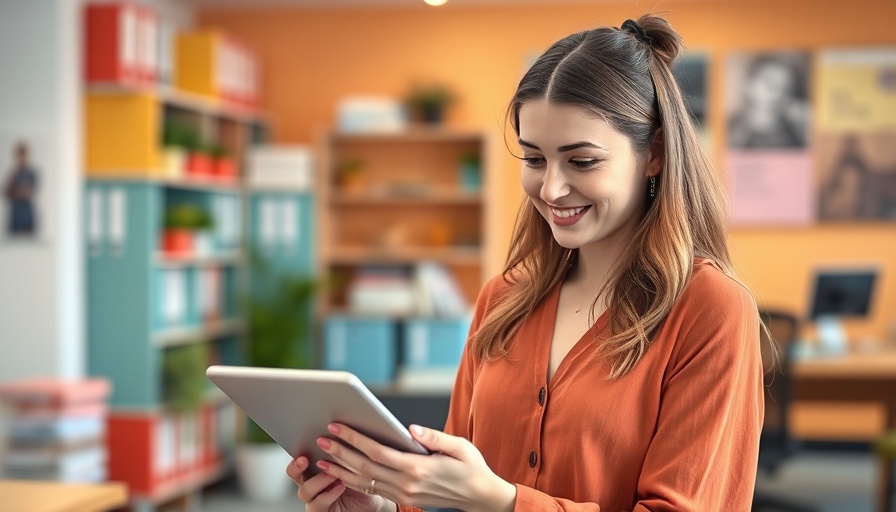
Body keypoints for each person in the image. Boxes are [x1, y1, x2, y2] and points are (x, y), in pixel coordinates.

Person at [288, 14, 764, 512]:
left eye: (581, 161)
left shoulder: (711, 310)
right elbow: (447, 487)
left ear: (656, 154)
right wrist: (380, 507)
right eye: (534, 159)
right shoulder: (503, 297)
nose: (551, 188)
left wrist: (506, 502)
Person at [727, 53, 809, 149]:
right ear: (749, 84)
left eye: (786, 88)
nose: (777, 93)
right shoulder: (727, 128)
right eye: (769, 82)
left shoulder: (799, 134)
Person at [4, 142, 39, 236]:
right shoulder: (13, 174)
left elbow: (30, 191)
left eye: (23, 156)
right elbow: (6, 192)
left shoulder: (31, 174)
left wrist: (18, 191)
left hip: (27, 216)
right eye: (19, 156)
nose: (21, 159)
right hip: (15, 216)